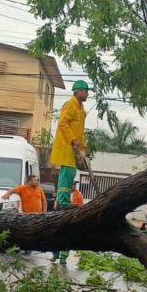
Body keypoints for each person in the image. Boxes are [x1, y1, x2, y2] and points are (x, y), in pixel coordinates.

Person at [50, 80, 91, 209]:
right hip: (66, 146)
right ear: (78, 91)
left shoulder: (81, 109)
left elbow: (80, 132)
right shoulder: (70, 105)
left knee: (71, 173)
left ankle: (63, 200)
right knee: (67, 172)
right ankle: (62, 201)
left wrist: (83, 148)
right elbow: (62, 123)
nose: (87, 94)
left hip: (75, 148)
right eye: (85, 91)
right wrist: (73, 139)